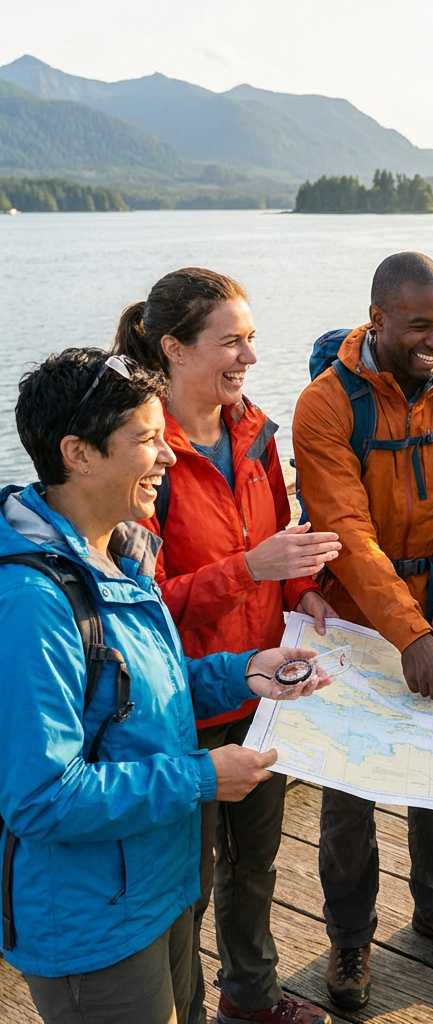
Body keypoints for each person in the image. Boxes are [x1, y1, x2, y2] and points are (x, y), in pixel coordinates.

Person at [0, 347, 330, 1024]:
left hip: (159, 886)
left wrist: (240, 672)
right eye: (146, 440)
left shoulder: (115, 551)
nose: (169, 457)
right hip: (95, 923)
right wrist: (203, 778)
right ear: (78, 454)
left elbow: (134, 692)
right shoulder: (32, 602)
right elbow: (40, 799)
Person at [112, 267, 341, 1024]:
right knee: (189, 881)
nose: (247, 356)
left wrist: (297, 592)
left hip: (263, 690)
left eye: (251, 339)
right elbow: (137, 613)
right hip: (182, 706)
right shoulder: (146, 459)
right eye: (230, 342)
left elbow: (276, 549)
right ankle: (183, 1008)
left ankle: (249, 996)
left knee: (256, 865)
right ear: (173, 348)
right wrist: (249, 569)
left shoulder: (257, 433)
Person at [291, 252, 433, 1010]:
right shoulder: (324, 407)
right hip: (354, 626)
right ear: (377, 318)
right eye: (420, 326)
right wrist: (409, 634)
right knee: (349, 793)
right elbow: (344, 530)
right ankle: (349, 941)